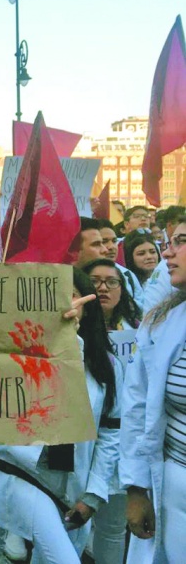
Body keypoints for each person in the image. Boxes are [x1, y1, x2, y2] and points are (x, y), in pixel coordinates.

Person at [0, 269, 121, 563]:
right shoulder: (19, 353)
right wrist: (65, 341)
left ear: (87, 307)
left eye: (72, 294)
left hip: (73, 480)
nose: (63, 302)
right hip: (24, 472)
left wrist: (94, 495)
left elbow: (111, 431)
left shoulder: (106, 364)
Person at [120, 213, 186, 563]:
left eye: (181, 242)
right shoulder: (159, 323)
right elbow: (137, 408)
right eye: (168, 242)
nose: (167, 253)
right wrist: (136, 489)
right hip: (176, 487)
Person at [82, 259, 142, 330]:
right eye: (94, 281)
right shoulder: (72, 327)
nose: (103, 288)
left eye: (112, 282)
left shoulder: (135, 327)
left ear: (122, 290)